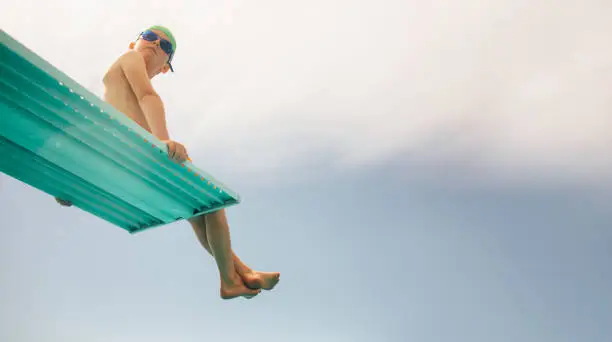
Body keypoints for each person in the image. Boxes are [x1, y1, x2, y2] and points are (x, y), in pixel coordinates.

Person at [55, 25, 280, 300]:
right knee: (211, 203)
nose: (155, 43)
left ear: (165, 68)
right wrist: (163, 142)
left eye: (165, 46)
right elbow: (147, 97)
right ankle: (233, 278)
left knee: (205, 209)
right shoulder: (129, 59)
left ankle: (238, 276)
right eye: (149, 36)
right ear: (133, 43)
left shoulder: (131, 71)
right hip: (138, 156)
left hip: (140, 157)